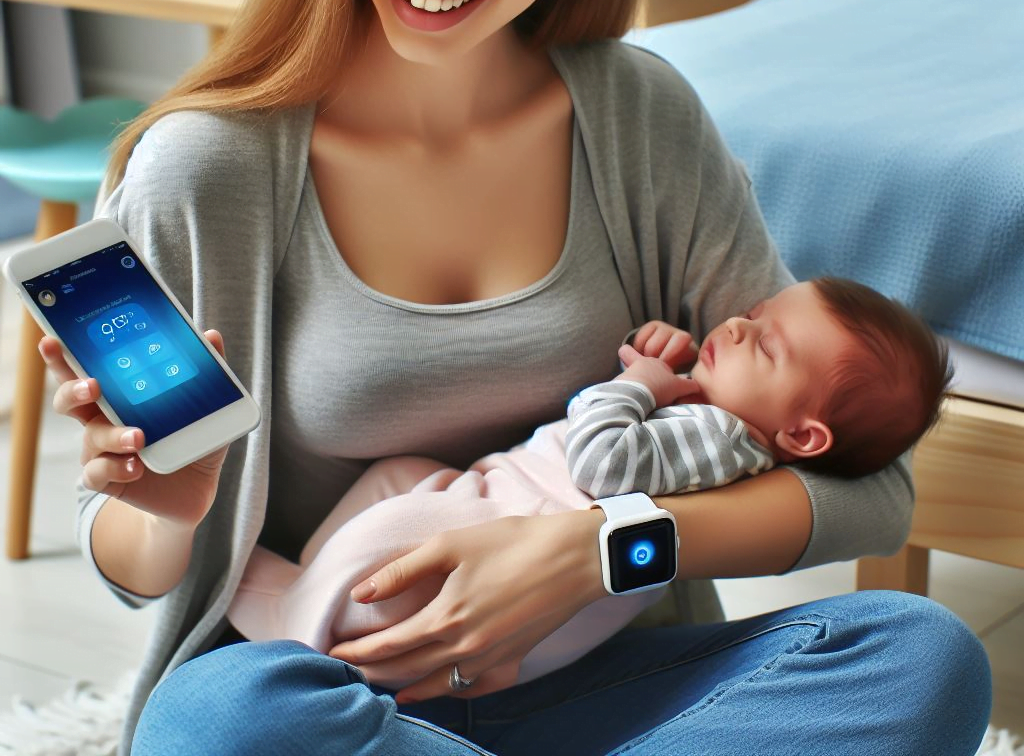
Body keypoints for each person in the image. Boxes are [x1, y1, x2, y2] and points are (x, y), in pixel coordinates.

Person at [39, 0, 990, 754]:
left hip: (603, 685)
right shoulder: (209, 167)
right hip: (339, 695)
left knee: (919, 654)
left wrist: (595, 552)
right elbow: (136, 569)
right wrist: (169, 510)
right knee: (215, 720)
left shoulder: (640, 121)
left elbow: (870, 492)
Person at [223, 276, 952, 689]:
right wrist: (663, 364)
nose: (731, 326)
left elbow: (603, 461)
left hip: (511, 540)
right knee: (399, 480)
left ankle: (298, 632)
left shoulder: (719, 440)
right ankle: (313, 589)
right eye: (752, 314)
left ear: (800, 437)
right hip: (487, 503)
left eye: (763, 343)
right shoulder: (710, 414)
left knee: (395, 530)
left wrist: (634, 384)